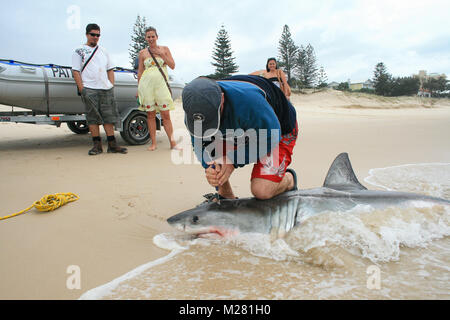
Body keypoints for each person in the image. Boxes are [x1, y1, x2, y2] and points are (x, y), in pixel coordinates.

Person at [182, 75, 299, 201]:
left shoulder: (249, 101)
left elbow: (272, 136)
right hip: (238, 131)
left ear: (222, 98)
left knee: (262, 190)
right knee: (214, 163)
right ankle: (226, 196)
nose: (207, 126)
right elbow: (200, 145)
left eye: (212, 119)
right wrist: (210, 168)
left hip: (277, 130)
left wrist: (233, 160)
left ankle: (288, 180)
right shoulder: (194, 110)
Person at [72, 23, 127, 155]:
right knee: (93, 118)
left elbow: (110, 69)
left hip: (105, 88)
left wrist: (111, 85)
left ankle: (112, 145)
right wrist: (82, 89)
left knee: (109, 117)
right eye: (93, 35)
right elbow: (75, 71)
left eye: (98, 35)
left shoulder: (103, 50)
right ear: (87, 35)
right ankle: (97, 145)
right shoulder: (78, 51)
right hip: (89, 88)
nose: (95, 37)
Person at [137, 27, 179, 151]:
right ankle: (153, 143)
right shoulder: (142, 53)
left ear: (157, 37)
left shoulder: (165, 49)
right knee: (150, 115)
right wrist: (138, 89)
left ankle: (173, 143)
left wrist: (161, 55)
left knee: (166, 115)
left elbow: (172, 65)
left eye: (152, 36)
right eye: (148, 37)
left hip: (161, 86)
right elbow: (140, 72)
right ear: (145, 38)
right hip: (147, 87)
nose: (150, 39)